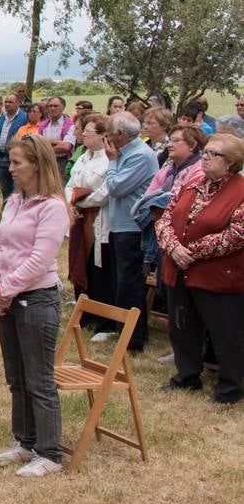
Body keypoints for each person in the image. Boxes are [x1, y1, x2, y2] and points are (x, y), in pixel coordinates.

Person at [0, 135, 70, 478]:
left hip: (36, 299)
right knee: (15, 377)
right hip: (5, 296)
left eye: (18, 162)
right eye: (11, 161)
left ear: (37, 164)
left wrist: (7, 288)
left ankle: (50, 452)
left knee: (39, 379)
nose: (12, 168)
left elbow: (40, 259)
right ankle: (25, 440)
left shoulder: (52, 207)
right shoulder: (14, 201)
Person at [156, 134, 244, 404]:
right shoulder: (192, 185)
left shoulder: (240, 191)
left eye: (213, 154)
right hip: (179, 268)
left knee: (226, 333)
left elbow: (237, 233)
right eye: (205, 153)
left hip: (217, 276)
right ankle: (187, 376)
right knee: (182, 327)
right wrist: (173, 248)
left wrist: (191, 252)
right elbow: (165, 219)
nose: (205, 158)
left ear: (231, 162)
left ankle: (229, 387)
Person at [104, 112, 159, 352]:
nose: (107, 136)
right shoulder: (125, 152)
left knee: (130, 283)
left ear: (121, 134)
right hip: (120, 225)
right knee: (120, 281)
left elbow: (116, 187)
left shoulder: (140, 156)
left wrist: (112, 161)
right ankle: (123, 330)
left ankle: (134, 338)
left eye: (109, 131)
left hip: (132, 227)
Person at [65, 117, 112, 318]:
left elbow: (105, 191)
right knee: (79, 259)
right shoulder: (83, 157)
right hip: (79, 216)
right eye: (83, 131)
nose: (83, 135)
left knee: (96, 264)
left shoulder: (108, 159)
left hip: (97, 217)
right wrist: (71, 202)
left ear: (102, 135)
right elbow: (70, 185)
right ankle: (82, 303)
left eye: (89, 132)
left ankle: (99, 312)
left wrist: (82, 202)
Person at [0, 93, 28, 199]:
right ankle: (6, 212)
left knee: (17, 189)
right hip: (2, 158)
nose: (7, 104)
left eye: (10, 102)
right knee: (5, 190)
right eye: (6, 102)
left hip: (16, 159)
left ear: (18, 103)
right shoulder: (2, 117)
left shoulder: (24, 117)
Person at [38, 97, 77, 176]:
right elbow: (37, 144)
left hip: (63, 162)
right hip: (46, 161)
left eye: (56, 106)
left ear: (63, 107)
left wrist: (45, 145)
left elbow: (66, 147)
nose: (52, 108)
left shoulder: (70, 125)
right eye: (50, 106)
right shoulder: (43, 125)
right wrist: (55, 143)